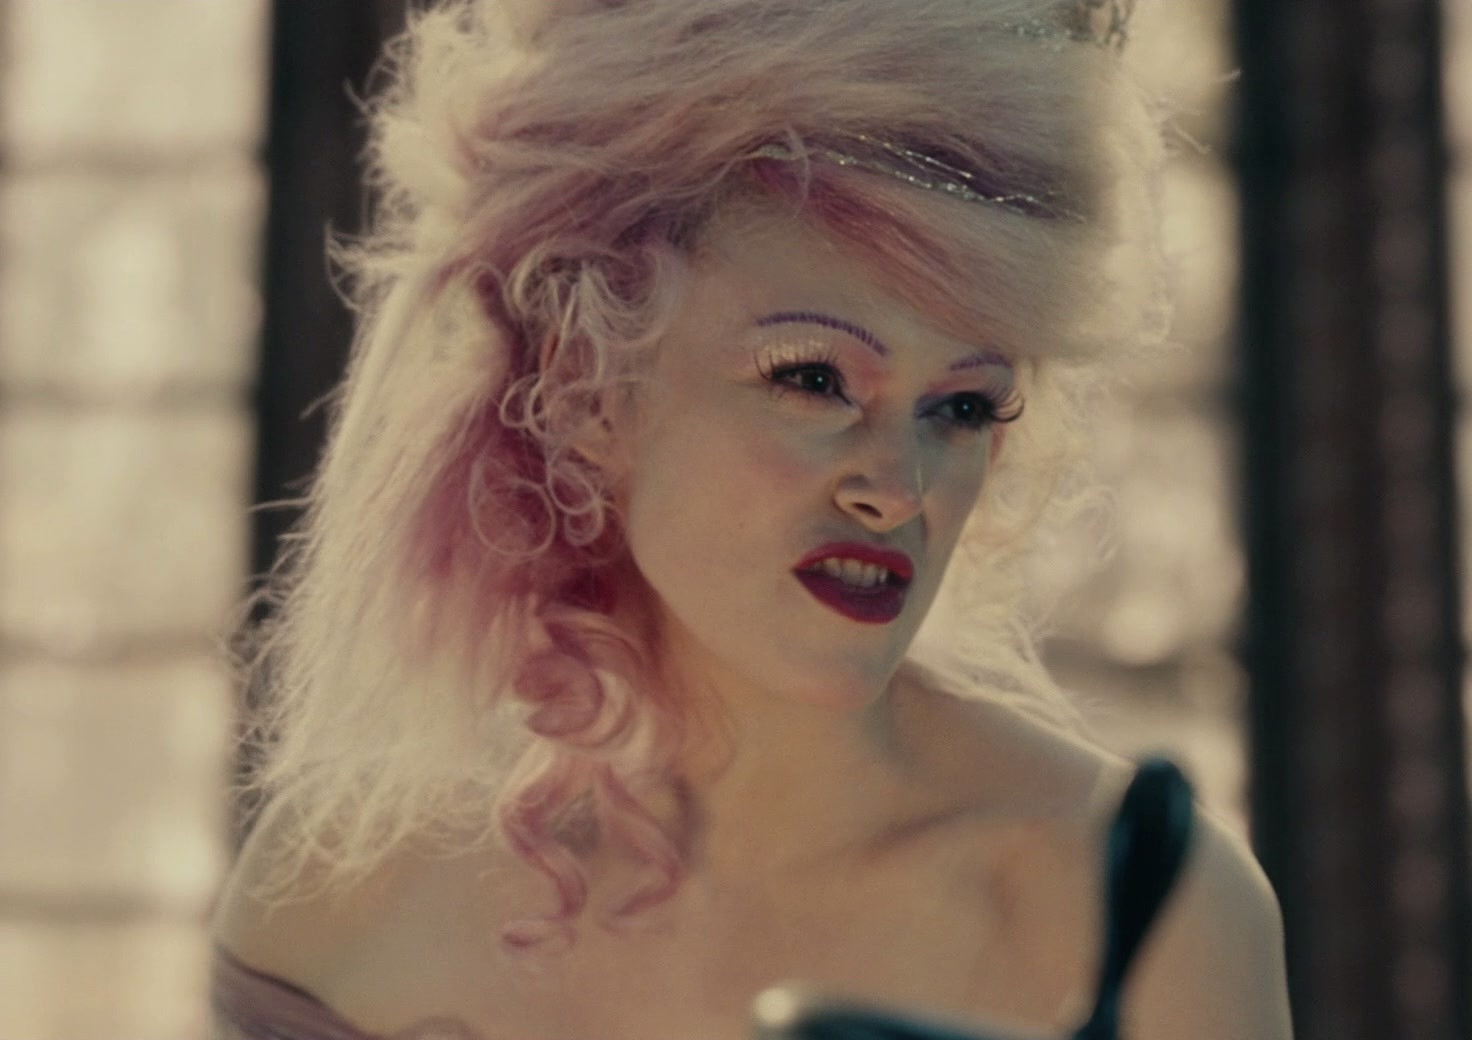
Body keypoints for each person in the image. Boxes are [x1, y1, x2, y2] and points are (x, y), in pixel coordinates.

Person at [210, 1, 1291, 1038]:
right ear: (588, 388)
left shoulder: (1141, 915)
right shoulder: (347, 889)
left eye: (962, 408)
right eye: (813, 379)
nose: (899, 488)